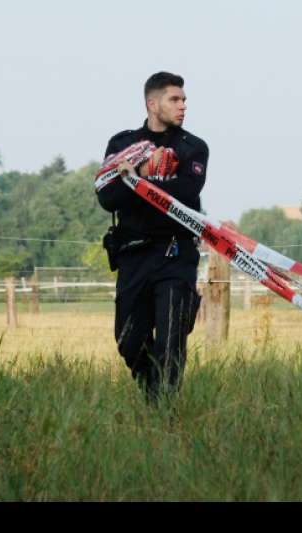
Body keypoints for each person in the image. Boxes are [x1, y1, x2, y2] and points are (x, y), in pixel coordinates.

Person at [96, 71, 209, 403]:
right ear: (152, 103)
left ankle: (165, 413)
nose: (183, 105)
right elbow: (107, 197)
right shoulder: (122, 144)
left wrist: (137, 182)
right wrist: (143, 175)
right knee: (128, 339)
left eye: (184, 99)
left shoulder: (193, 147)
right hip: (133, 254)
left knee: (171, 339)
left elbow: (187, 194)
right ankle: (153, 397)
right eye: (175, 99)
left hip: (176, 255)